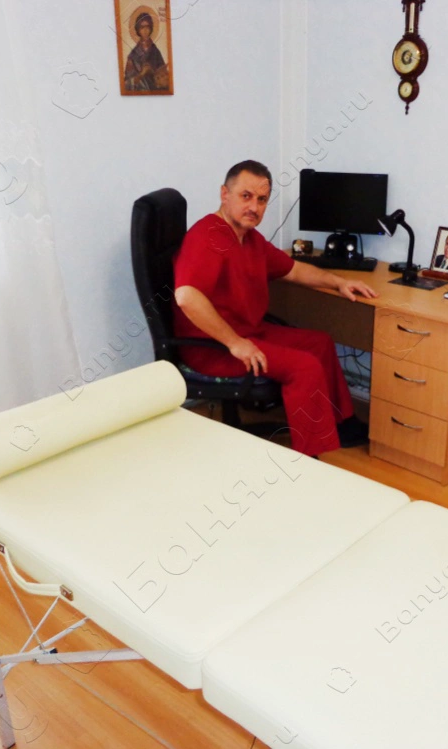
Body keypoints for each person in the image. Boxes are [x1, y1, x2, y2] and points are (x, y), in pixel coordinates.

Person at [172, 160, 379, 457]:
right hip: (214, 347)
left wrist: (339, 282)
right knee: (304, 367)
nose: (254, 207)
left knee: (319, 343)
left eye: (262, 199)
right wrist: (235, 343)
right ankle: (308, 457)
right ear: (224, 194)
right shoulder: (208, 236)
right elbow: (186, 296)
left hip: (248, 332)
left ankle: (341, 423)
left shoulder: (249, 238)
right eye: (246, 196)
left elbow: (293, 270)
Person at [125, 12, 168, 92]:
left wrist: (152, 71)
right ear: (138, 30)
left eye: (147, 27)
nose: (145, 30)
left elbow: (165, 76)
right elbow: (127, 83)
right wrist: (142, 74)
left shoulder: (155, 52)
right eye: (142, 27)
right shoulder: (133, 55)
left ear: (151, 28)